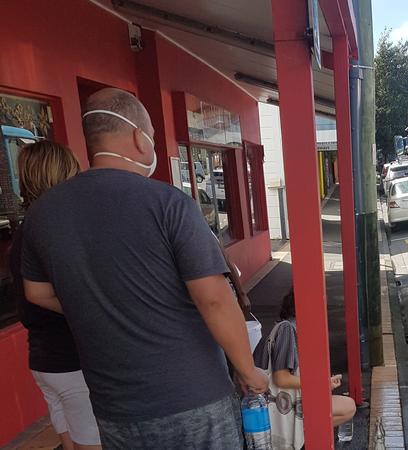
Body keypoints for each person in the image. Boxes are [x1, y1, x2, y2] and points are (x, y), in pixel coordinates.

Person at [21, 88, 267, 449]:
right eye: (152, 135)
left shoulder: (43, 214)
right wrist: (248, 372)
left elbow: (36, 292)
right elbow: (213, 299)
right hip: (193, 397)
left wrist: (100, 304)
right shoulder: (169, 204)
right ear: (139, 137)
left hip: (114, 408)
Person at [11, 141, 101, 450]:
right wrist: (96, 311)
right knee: (92, 441)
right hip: (70, 359)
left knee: (70, 438)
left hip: (44, 359)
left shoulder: (27, 228)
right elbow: (42, 293)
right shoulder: (51, 229)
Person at [254, 290, 356, 449]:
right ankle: (301, 435)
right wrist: (320, 384)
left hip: (279, 404)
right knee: (347, 407)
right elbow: (281, 378)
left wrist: (324, 383)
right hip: (279, 405)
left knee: (346, 407)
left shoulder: (287, 329)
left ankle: (300, 435)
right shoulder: (287, 329)